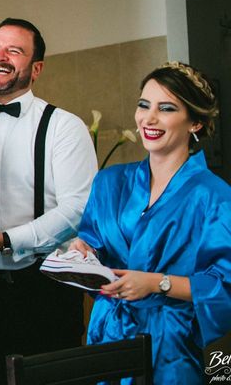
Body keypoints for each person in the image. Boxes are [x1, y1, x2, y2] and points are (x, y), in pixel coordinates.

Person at [0, 18, 98, 383]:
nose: (0, 57)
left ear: (36, 68)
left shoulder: (64, 127)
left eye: (14, 50)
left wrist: (7, 240)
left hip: (45, 294)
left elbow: (77, 211)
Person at [69, 62, 231, 384]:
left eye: (166, 108)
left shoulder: (215, 197)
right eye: (144, 105)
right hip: (109, 336)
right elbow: (93, 242)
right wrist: (82, 251)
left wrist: (158, 283)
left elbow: (224, 285)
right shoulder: (109, 182)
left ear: (195, 123)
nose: (149, 118)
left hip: (172, 345)